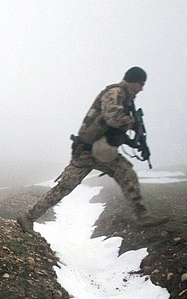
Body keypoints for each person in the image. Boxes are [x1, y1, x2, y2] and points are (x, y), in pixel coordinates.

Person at [17, 66, 168, 232]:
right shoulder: (116, 93)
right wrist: (133, 123)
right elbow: (112, 119)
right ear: (133, 81)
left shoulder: (125, 97)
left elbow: (111, 129)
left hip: (90, 151)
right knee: (124, 174)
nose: (142, 88)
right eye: (141, 83)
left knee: (64, 188)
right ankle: (142, 216)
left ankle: (28, 217)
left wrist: (134, 142)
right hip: (90, 151)